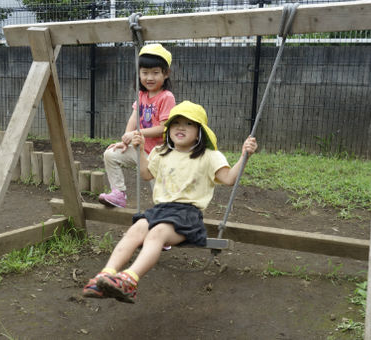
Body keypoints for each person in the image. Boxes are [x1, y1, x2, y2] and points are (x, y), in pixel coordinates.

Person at [83, 101, 258, 303]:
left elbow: (229, 179)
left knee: (156, 233)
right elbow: (146, 174)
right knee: (136, 229)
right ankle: (106, 274)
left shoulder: (210, 156)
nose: (180, 127)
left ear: (200, 131)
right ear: (169, 129)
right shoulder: (161, 152)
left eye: (188, 124)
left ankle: (130, 279)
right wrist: (140, 151)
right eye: (175, 123)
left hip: (186, 215)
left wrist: (245, 155)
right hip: (160, 211)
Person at [98, 43, 175, 208]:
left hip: (158, 154)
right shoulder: (141, 95)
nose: (149, 77)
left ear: (166, 74)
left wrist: (137, 134)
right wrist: (126, 139)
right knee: (111, 154)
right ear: (139, 73)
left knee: (159, 193)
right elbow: (133, 118)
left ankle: (166, 211)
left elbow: (164, 128)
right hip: (140, 150)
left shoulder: (166, 97)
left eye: (155, 73)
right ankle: (119, 194)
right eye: (145, 72)